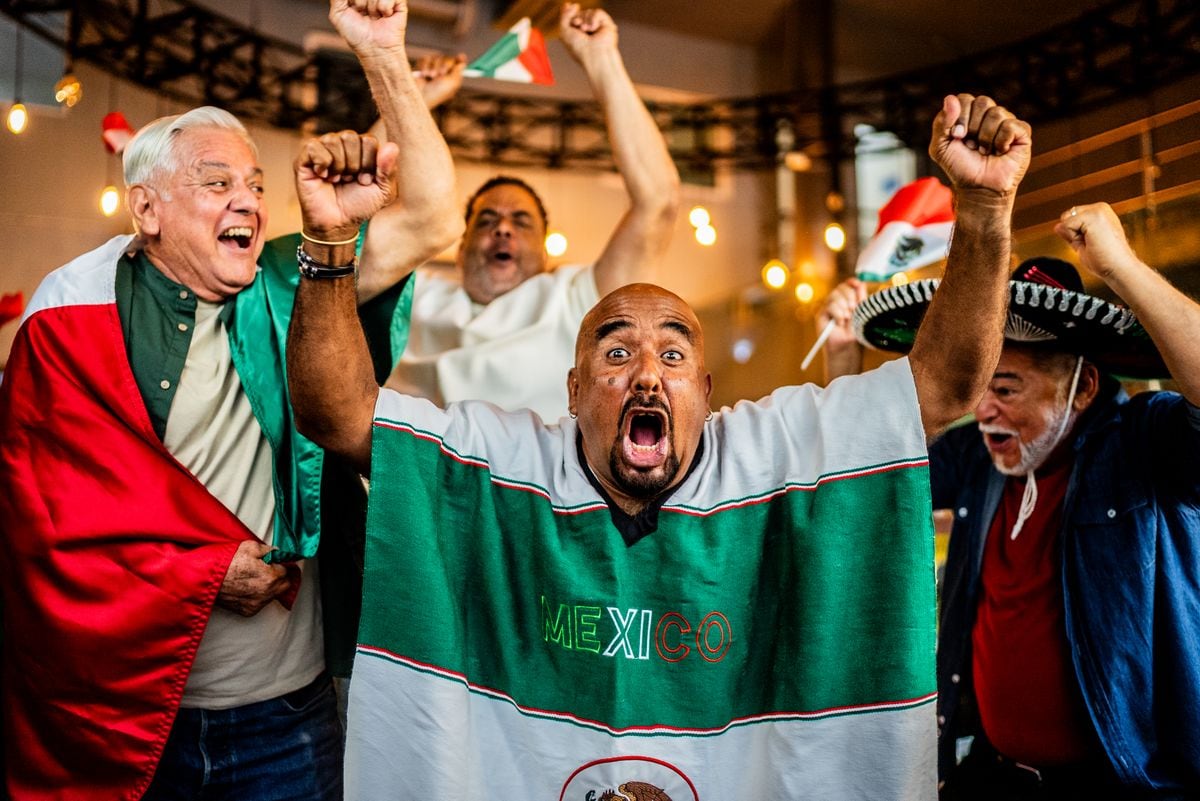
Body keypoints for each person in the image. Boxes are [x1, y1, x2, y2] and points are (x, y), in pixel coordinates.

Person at [286, 93, 1030, 798]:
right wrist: (327, 241)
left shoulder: (772, 454)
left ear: (707, 394)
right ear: (572, 392)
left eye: (673, 357)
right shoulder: (503, 462)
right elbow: (338, 412)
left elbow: (943, 385)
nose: (646, 372)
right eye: (615, 355)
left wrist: (987, 210)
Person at [0, 0, 459, 797]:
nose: (248, 199)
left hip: (290, 713)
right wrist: (204, 572)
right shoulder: (70, 323)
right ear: (146, 209)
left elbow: (430, 215)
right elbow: (43, 526)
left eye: (253, 182)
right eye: (216, 183)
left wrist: (383, 55)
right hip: (137, 715)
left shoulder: (295, 283)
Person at [819, 205, 1200, 798]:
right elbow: (864, 474)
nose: (984, 409)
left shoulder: (1142, 447)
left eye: (1006, 388)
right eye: (980, 389)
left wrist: (1119, 265)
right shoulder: (980, 457)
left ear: (1083, 388)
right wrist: (843, 356)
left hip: (1118, 785)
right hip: (992, 776)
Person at [380, 2, 682, 423]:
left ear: (545, 253)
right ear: (461, 245)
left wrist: (600, 59)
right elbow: (355, 216)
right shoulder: (418, 297)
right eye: (486, 221)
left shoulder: (575, 299)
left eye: (521, 222)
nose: (502, 228)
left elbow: (658, 202)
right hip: (421, 478)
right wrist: (412, 100)